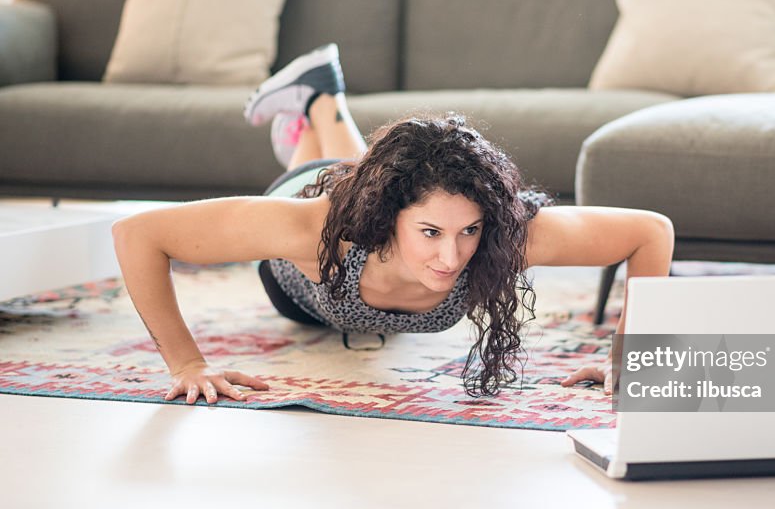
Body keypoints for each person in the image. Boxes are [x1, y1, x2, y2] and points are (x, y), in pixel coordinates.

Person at [112, 44, 675, 405]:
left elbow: (650, 232)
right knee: (336, 174)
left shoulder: (508, 233)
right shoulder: (314, 229)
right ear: (389, 219)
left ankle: (317, 97)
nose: (452, 258)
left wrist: (631, 359)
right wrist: (188, 363)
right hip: (305, 250)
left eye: (468, 232)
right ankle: (321, 103)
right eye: (431, 233)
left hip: (375, 192)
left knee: (374, 173)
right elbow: (139, 235)